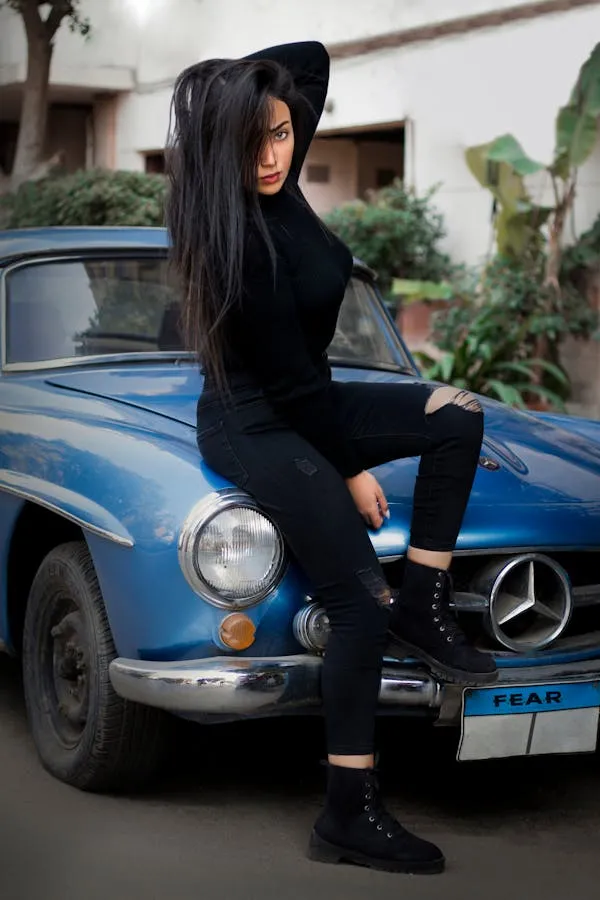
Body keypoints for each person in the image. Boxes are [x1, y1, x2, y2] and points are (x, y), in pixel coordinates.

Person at [166, 39, 497, 876]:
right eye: (250, 143)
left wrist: (239, 92)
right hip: (256, 422)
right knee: (355, 603)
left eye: (280, 134)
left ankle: (423, 602)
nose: (272, 156)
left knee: (458, 414)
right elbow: (295, 393)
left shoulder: (276, 161)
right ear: (217, 150)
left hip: (307, 399)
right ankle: (348, 812)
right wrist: (351, 473)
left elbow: (307, 58)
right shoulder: (236, 239)